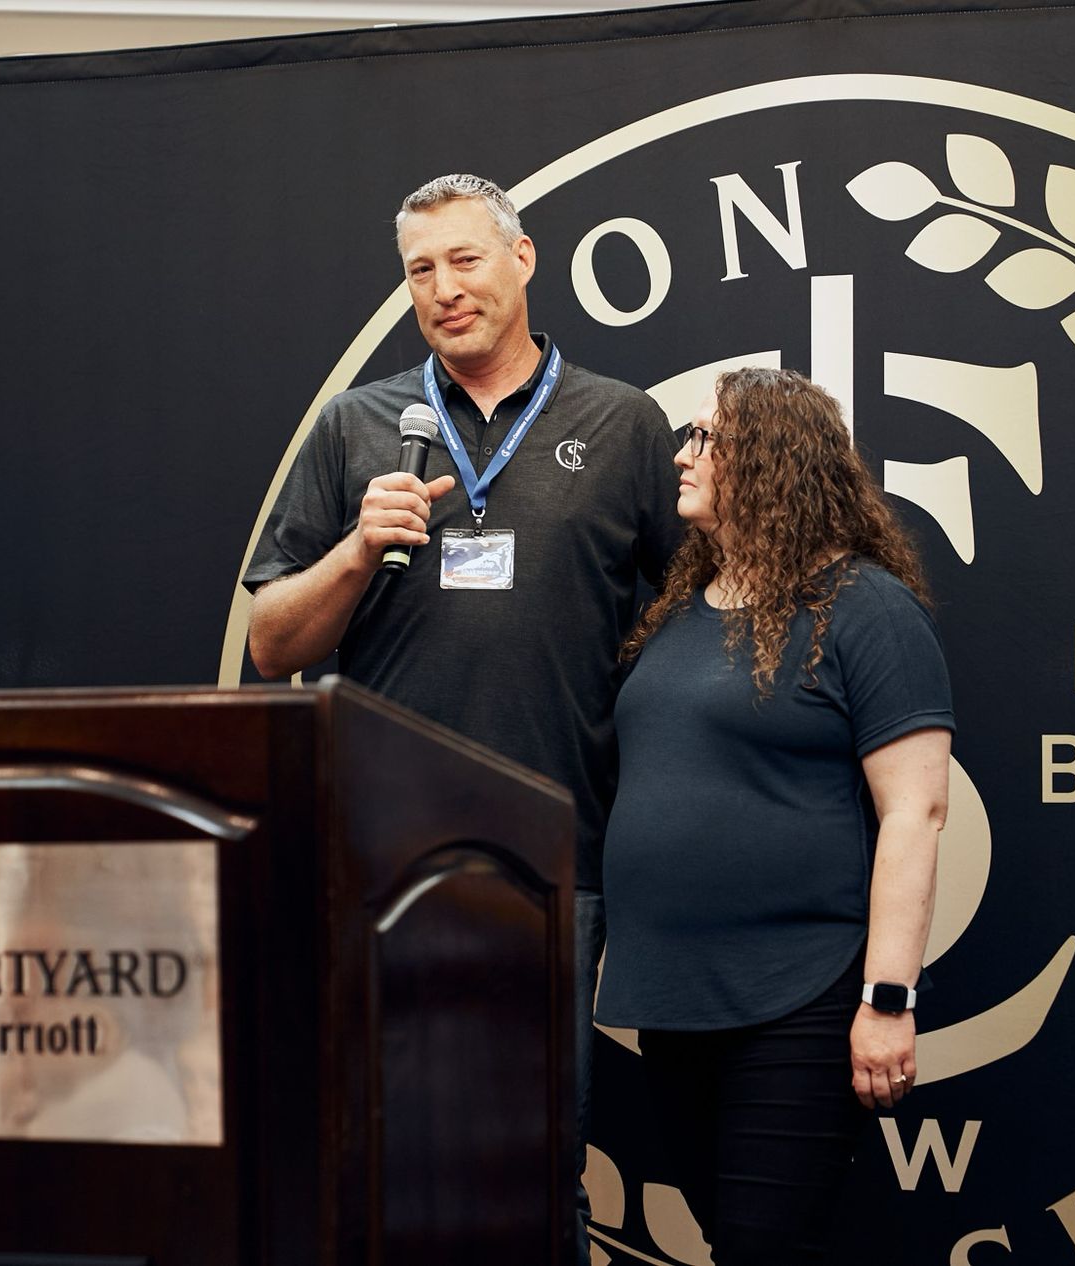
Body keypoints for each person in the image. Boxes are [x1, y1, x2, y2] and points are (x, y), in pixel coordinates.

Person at [241, 173, 684, 1261]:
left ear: (523, 261)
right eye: (420, 272)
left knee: (538, 1164)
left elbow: (691, 630)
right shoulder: (356, 426)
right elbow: (272, 644)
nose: (444, 290)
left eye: (466, 260)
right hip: (382, 864)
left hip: (557, 859)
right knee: (383, 1159)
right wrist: (355, 548)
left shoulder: (622, 423)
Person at [596, 367, 953, 1264]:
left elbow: (917, 811)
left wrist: (888, 1000)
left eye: (705, 438)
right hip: (673, 999)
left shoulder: (867, 607)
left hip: (797, 996)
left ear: (770, 459)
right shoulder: (676, 612)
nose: (682, 454)